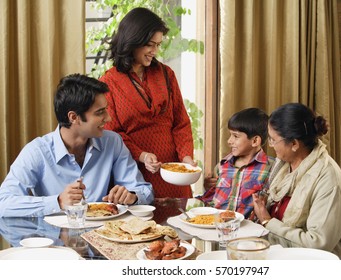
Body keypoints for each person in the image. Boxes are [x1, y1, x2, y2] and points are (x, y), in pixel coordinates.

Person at [0, 74, 154, 218]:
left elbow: (145, 191)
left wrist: (132, 196)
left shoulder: (112, 142)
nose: (108, 117)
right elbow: (4, 203)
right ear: (73, 117)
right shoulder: (37, 151)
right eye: (100, 112)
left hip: (105, 237)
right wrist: (58, 202)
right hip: (55, 241)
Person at [99, 7, 196, 199]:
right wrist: (142, 155)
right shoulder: (108, 82)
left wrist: (186, 159)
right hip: (135, 172)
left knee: (178, 224)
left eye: (158, 45)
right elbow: (113, 133)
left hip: (173, 173)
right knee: (143, 227)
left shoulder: (166, 74)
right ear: (133, 41)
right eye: (150, 45)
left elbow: (181, 122)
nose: (155, 51)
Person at [252, 103, 341, 259]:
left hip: (315, 263)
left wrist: (267, 220)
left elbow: (318, 245)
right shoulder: (284, 165)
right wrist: (266, 207)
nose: (270, 145)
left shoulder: (328, 179)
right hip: (280, 250)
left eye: (273, 140)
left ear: (294, 144)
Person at [196, 108, 274, 218]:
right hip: (217, 226)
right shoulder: (222, 166)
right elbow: (212, 201)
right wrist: (207, 188)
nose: (229, 141)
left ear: (255, 141)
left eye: (236, 136)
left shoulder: (271, 168)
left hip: (247, 230)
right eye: (230, 135)